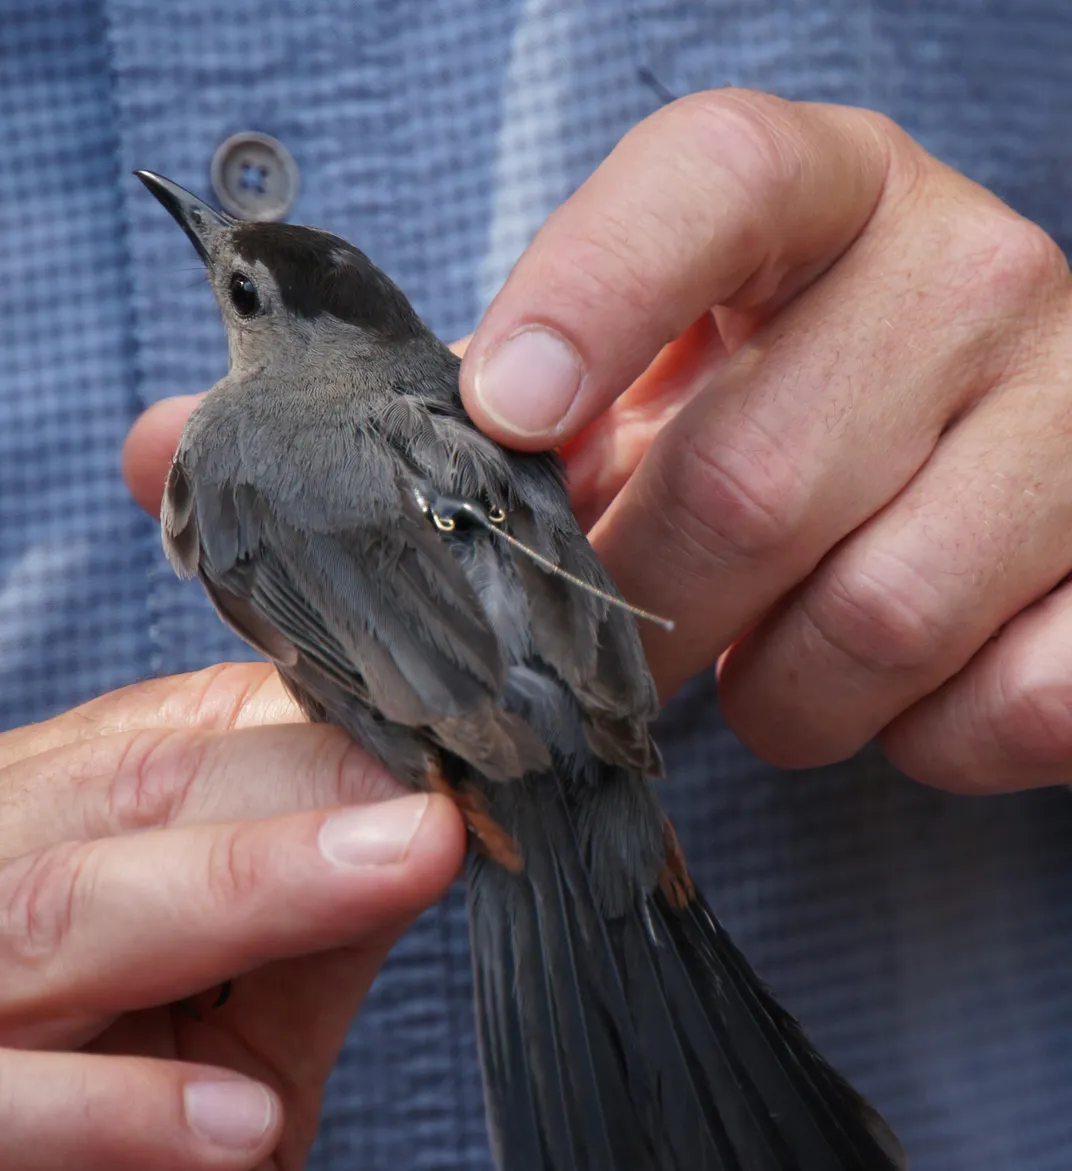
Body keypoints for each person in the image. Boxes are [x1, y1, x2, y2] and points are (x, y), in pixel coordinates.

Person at [2, 3, 1071, 1169]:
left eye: (240, 291)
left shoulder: (230, 453)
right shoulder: (460, 409)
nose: (221, 267)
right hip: (575, 742)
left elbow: (348, 648)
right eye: (240, 284)